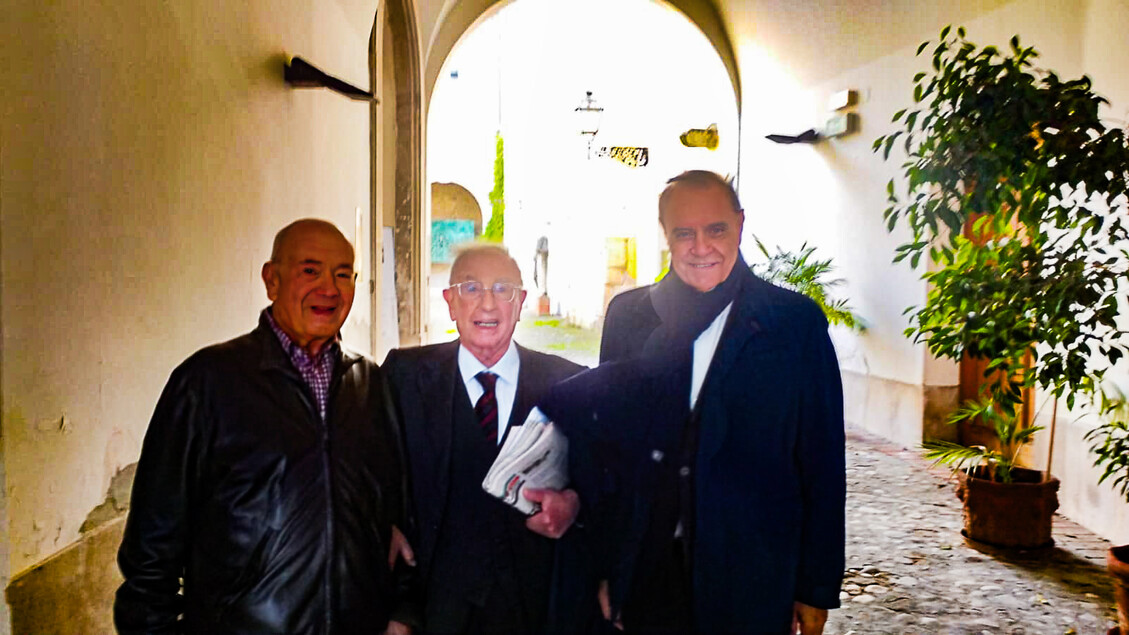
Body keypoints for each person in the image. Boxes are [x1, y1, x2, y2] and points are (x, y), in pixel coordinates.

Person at [543, 170, 845, 634]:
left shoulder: (793, 324)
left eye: (716, 229)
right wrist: (606, 570)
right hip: (647, 570)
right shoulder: (630, 315)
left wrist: (815, 586)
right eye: (684, 233)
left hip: (751, 573)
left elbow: (821, 459)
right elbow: (609, 456)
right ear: (665, 234)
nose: (701, 247)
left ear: (739, 224)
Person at [115, 219, 412, 635]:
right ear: (272, 280)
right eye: (310, 271)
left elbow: (399, 514)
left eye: (343, 274)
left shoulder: (370, 383)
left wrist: (402, 613)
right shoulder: (207, 383)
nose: (329, 288)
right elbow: (152, 547)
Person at [383, 243, 584, 634]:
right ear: (450, 302)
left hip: (535, 608)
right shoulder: (403, 377)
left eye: (503, 289)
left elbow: (604, 483)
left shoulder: (568, 384)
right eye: (471, 288)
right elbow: (379, 481)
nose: (488, 303)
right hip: (433, 608)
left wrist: (573, 504)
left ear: (520, 302)